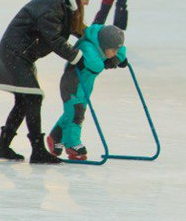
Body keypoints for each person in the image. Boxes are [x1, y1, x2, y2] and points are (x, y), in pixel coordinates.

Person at [0, 0, 97, 164]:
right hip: (15, 52)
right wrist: (76, 57)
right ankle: (37, 149)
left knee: (25, 100)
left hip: (22, 53)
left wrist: (96, 39)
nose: (87, 3)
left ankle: (3, 146)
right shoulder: (53, 4)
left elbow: (72, 28)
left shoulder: (62, 2)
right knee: (33, 97)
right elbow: (54, 38)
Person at [47, 24, 127, 161]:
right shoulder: (87, 46)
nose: (114, 53)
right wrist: (108, 62)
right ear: (104, 45)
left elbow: (121, 50)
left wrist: (117, 58)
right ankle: (72, 144)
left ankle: (56, 137)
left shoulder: (104, 45)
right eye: (113, 51)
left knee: (73, 112)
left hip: (84, 86)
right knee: (76, 113)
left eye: (115, 50)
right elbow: (95, 64)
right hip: (72, 84)